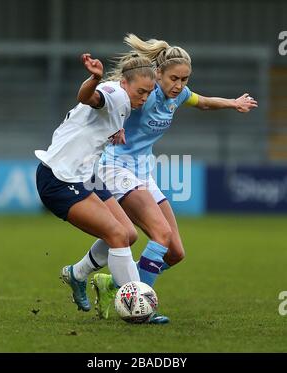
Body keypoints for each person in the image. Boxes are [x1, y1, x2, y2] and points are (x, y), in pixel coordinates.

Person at [77, 35, 258, 323]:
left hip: (142, 172)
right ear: (158, 73)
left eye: (185, 79)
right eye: (174, 78)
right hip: (115, 169)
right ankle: (140, 306)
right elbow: (107, 104)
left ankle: (111, 284)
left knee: (174, 252)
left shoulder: (180, 95)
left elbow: (204, 102)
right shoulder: (143, 93)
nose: (180, 85)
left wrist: (233, 103)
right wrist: (113, 127)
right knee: (160, 235)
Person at [35, 52, 156, 313]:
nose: (144, 98)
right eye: (141, 91)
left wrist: (117, 130)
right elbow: (88, 97)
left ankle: (76, 274)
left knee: (129, 234)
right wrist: (95, 78)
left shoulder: (125, 103)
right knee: (117, 235)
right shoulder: (113, 93)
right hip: (59, 178)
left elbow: (102, 119)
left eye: (149, 92)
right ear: (125, 82)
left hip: (84, 176)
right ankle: (137, 305)